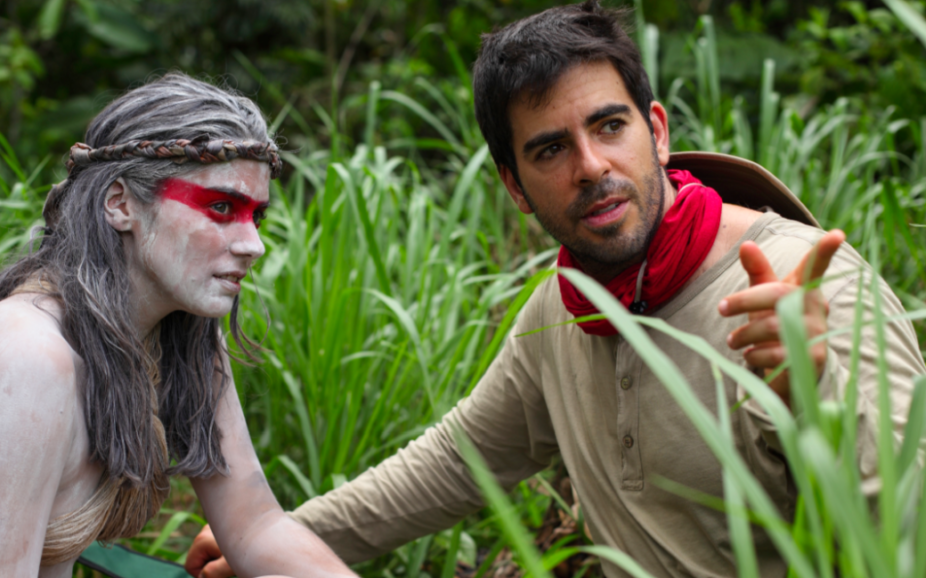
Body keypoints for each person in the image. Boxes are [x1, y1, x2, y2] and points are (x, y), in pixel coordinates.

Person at [187, 3, 926, 577]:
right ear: (514, 185)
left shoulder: (807, 292)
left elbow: (906, 537)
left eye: (610, 126)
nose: (591, 165)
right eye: (550, 148)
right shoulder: (564, 310)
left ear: (658, 132)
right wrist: (273, 538)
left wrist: (812, 396)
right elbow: (459, 459)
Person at [0, 73, 358, 578]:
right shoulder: (26, 360)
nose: (254, 244)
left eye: (257, 216)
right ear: (120, 204)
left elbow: (255, 527)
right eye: (222, 207)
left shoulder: (181, 339)